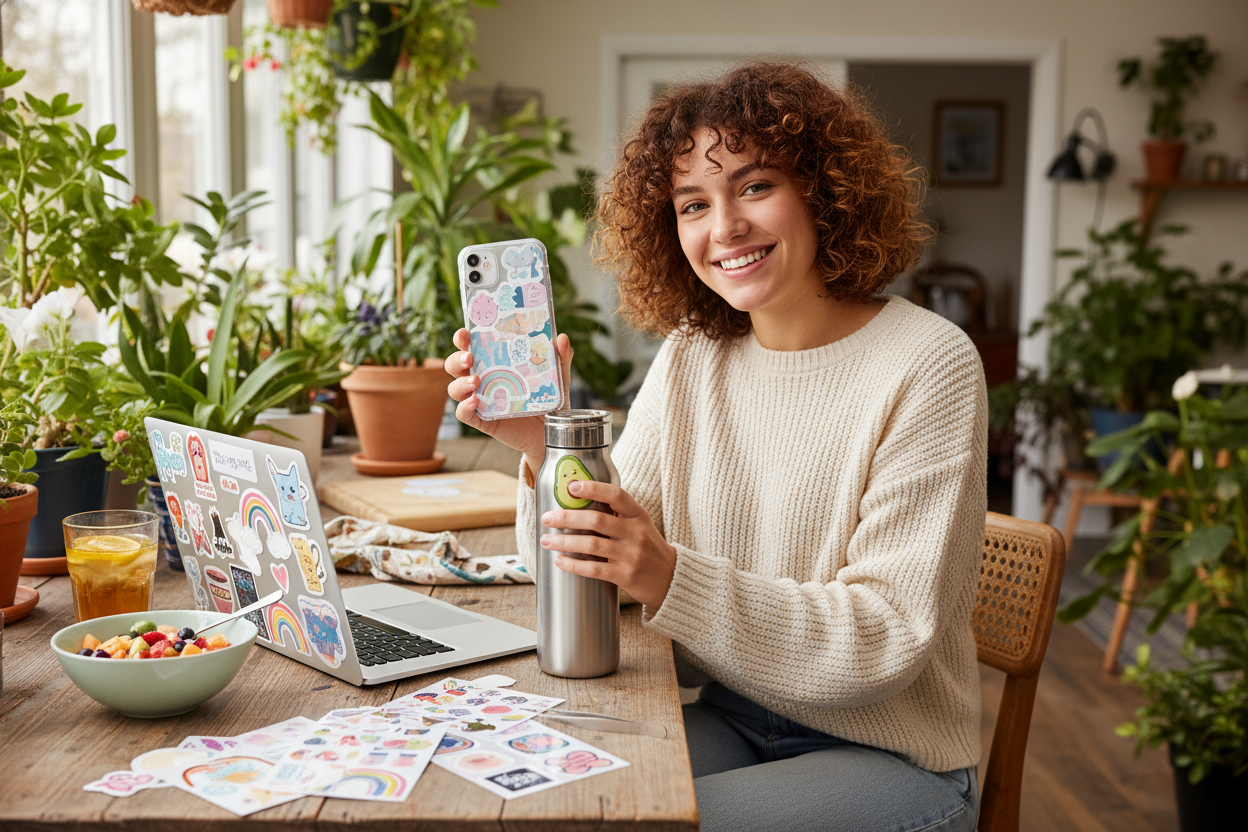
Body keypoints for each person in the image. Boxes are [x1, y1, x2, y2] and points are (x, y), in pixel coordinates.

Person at [445, 61, 986, 832]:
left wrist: (667, 572)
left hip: (889, 759)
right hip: (730, 718)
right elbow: (604, 575)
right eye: (692, 202)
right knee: (535, 800)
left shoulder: (928, 362)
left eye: (756, 186)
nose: (724, 227)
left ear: (826, 191)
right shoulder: (696, 352)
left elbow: (883, 637)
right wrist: (544, 441)